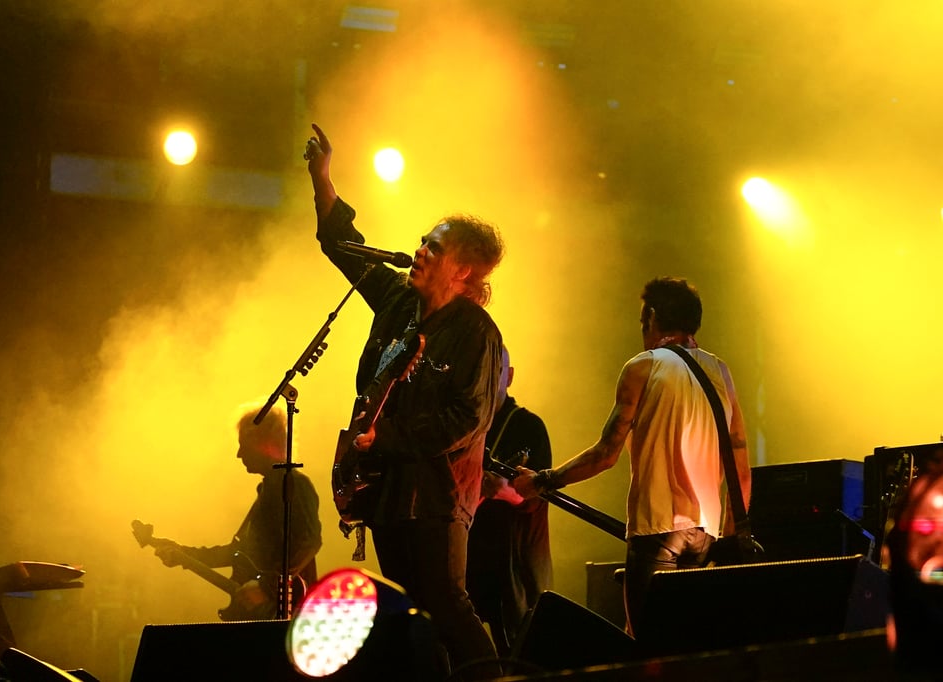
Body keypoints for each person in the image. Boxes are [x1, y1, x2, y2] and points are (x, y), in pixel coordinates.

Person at [305, 123, 505, 680]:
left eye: (433, 247)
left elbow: (467, 418)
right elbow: (338, 246)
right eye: (423, 241)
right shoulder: (397, 303)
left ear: (462, 269)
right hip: (387, 491)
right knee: (406, 613)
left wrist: (385, 437)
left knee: (445, 603)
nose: (419, 250)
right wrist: (323, 179)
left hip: (438, 497)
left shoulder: (476, 334)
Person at [514, 277, 750, 639]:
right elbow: (740, 467)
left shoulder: (643, 366)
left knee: (646, 646)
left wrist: (543, 480)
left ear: (652, 317)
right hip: (706, 535)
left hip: (657, 529)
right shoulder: (721, 372)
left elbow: (606, 454)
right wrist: (730, 537)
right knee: (688, 646)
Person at [151, 402, 322, 620]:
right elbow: (239, 553)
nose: (239, 454)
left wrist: (268, 586)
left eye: (244, 445)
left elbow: (309, 541)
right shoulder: (268, 488)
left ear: (263, 443)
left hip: (285, 614)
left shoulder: (293, 484)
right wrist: (183, 554)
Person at [466, 346, 553, 657]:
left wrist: (500, 489)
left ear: (510, 376)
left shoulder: (528, 426)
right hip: (470, 563)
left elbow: (539, 496)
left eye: (496, 371)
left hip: (515, 568)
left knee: (519, 655)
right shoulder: (466, 426)